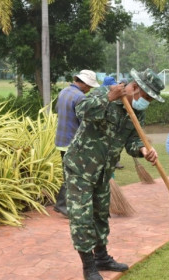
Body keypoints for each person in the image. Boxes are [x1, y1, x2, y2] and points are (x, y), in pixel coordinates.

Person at [63, 68, 165, 280]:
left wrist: (143, 149)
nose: (148, 102)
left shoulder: (137, 111)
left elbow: (133, 140)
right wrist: (109, 98)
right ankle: (89, 267)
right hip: (80, 167)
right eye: (147, 97)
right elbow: (81, 111)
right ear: (135, 88)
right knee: (82, 218)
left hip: (103, 172)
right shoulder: (104, 93)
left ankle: (102, 257)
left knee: (101, 215)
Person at [54, 70, 100, 217]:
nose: (90, 89)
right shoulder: (80, 97)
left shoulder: (64, 92)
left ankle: (60, 205)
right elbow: (84, 121)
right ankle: (62, 205)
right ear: (84, 83)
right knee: (73, 175)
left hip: (61, 140)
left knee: (68, 173)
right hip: (72, 141)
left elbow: (57, 110)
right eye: (89, 86)